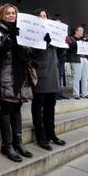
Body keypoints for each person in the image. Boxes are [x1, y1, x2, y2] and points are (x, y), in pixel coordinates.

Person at [0, 4, 33, 162]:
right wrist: (9, 39)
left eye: (14, 13)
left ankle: (18, 142)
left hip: (21, 74)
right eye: (8, 13)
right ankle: (7, 145)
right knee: (6, 109)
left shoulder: (22, 30)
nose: (11, 15)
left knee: (17, 108)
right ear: (2, 15)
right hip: (6, 74)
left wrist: (41, 42)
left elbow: (28, 53)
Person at [29, 9, 66, 151]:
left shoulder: (52, 34)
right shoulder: (32, 33)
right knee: (38, 107)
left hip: (53, 74)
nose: (43, 18)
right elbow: (30, 52)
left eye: (45, 16)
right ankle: (41, 137)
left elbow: (61, 53)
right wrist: (42, 42)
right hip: (40, 74)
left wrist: (61, 42)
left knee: (50, 107)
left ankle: (51, 134)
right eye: (40, 16)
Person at [66, 26, 88, 99]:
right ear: (76, 31)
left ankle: (85, 93)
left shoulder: (83, 40)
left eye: (82, 31)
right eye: (81, 31)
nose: (82, 32)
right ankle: (76, 94)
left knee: (85, 77)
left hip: (84, 58)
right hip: (76, 59)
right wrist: (81, 42)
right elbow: (71, 46)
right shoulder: (70, 38)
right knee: (76, 77)